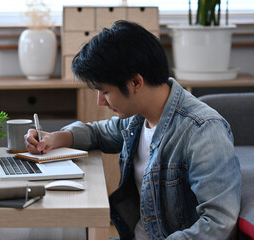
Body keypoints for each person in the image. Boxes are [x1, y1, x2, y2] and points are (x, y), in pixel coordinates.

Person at [24, 20, 241, 240]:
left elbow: (218, 225)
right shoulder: (139, 118)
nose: (100, 101)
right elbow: (98, 133)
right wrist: (55, 138)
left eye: (105, 91)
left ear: (136, 82)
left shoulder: (203, 132)